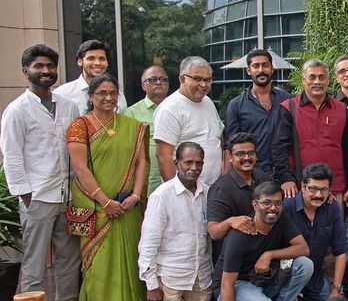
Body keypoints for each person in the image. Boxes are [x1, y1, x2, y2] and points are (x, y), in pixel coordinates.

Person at [0, 44, 81, 301]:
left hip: (67, 195)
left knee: (69, 258)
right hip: (38, 197)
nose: (46, 71)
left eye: (50, 66)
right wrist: (25, 194)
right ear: (26, 71)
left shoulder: (68, 105)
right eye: (39, 66)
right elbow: (11, 155)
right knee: (34, 262)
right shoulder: (17, 110)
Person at [66, 74, 152, 301]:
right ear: (91, 97)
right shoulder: (80, 126)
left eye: (113, 92)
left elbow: (142, 162)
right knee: (99, 264)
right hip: (94, 206)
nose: (108, 97)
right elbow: (80, 168)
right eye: (102, 93)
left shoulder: (132, 126)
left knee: (129, 258)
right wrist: (105, 201)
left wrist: (135, 196)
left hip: (127, 205)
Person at [215, 181, 313, 301]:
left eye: (278, 203)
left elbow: (303, 248)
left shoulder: (281, 219)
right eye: (266, 203)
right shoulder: (240, 235)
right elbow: (226, 284)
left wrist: (269, 254)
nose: (273, 208)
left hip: (263, 279)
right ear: (255, 205)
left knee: (304, 265)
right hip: (236, 286)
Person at [138, 141, 213, 301]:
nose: (194, 168)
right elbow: (148, 242)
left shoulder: (208, 193)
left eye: (199, 163)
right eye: (188, 162)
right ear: (176, 163)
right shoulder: (162, 195)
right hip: (171, 273)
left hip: (199, 273)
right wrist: (151, 284)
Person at [273, 59, 348, 204]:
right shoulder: (289, 108)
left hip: (336, 189)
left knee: (336, 220)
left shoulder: (341, 109)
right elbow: (279, 149)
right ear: (303, 80)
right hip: (301, 188)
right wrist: (285, 178)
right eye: (312, 77)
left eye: (321, 77)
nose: (317, 82)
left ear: (328, 80)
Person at [283, 163, 348, 301]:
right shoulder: (288, 206)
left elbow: (341, 251)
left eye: (324, 190)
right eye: (313, 189)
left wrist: (336, 289)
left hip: (315, 279)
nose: (318, 195)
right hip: (289, 277)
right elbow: (276, 248)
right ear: (302, 186)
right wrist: (288, 291)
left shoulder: (332, 208)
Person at [154, 56, 224, 187]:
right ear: (182, 79)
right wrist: (178, 193)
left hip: (214, 188)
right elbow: (163, 156)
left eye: (207, 80)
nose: (203, 85)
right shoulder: (169, 109)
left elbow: (219, 138)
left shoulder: (207, 102)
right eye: (197, 79)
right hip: (187, 190)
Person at [207, 133, 269, 264]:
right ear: (230, 157)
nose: (246, 158)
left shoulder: (262, 178)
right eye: (240, 154)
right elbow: (213, 232)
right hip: (232, 261)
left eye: (251, 153)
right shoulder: (220, 189)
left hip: (261, 254)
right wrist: (230, 222)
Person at [224, 49, 290, 173]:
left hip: (284, 173)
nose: (261, 70)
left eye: (265, 65)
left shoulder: (287, 101)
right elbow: (230, 145)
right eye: (256, 66)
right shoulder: (236, 105)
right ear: (249, 70)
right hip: (251, 173)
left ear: (272, 69)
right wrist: (227, 177)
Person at [124, 65, 170, 195]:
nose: (159, 83)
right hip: (146, 183)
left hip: (175, 177)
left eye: (163, 79)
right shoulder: (131, 113)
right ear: (143, 85)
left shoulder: (177, 108)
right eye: (153, 79)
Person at [53, 39, 127, 111]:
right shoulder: (62, 94)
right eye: (91, 58)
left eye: (102, 59)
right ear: (80, 61)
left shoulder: (119, 97)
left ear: (107, 63)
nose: (97, 63)